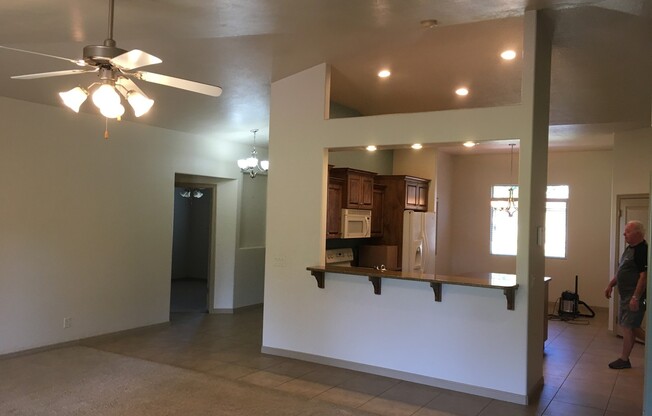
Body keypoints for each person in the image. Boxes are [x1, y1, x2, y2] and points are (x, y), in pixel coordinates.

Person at [604, 220, 648, 369]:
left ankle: (624, 359)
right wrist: (611, 284)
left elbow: (644, 276)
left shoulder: (643, 250)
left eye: (627, 231)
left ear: (638, 234)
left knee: (629, 327)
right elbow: (622, 270)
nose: (624, 234)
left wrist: (636, 297)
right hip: (626, 297)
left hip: (635, 297)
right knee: (632, 326)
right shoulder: (630, 249)